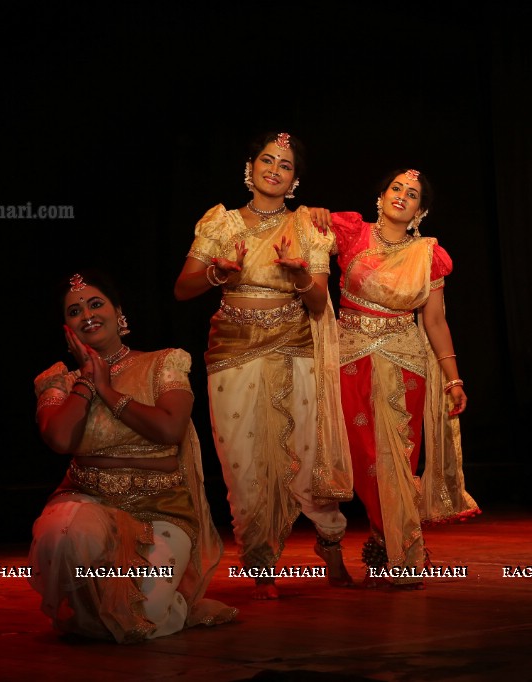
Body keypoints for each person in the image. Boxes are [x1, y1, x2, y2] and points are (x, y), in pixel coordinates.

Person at [174, 132, 353, 599]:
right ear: (249, 167)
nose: (275, 169)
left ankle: (330, 540)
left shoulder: (309, 226)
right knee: (243, 459)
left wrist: (297, 275)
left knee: (308, 449)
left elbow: (319, 301)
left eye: (286, 165)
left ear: (295, 179)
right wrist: (218, 272)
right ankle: (260, 560)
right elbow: (183, 287)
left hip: (295, 343)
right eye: (267, 160)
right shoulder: (221, 223)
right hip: (233, 345)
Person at [30, 270, 236, 642]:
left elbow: (170, 429)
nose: (87, 314)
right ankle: (94, 604)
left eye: (96, 304)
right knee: (62, 533)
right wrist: (86, 383)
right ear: (67, 327)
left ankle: (124, 606)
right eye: (75, 310)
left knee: (142, 618)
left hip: (161, 509)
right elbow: (59, 440)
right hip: (89, 501)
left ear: (118, 312)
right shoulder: (57, 380)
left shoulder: (164, 363)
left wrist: (106, 389)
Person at [314, 168, 479, 589]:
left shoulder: (428, 254)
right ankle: (389, 541)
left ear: (420, 210)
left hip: (405, 360)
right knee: (362, 458)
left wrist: (453, 379)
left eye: (413, 194)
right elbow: (302, 239)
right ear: (382, 196)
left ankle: (401, 549)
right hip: (350, 356)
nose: (402, 196)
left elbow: (437, 321)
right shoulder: (350, 232)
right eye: (396, 188)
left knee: (398, 463)